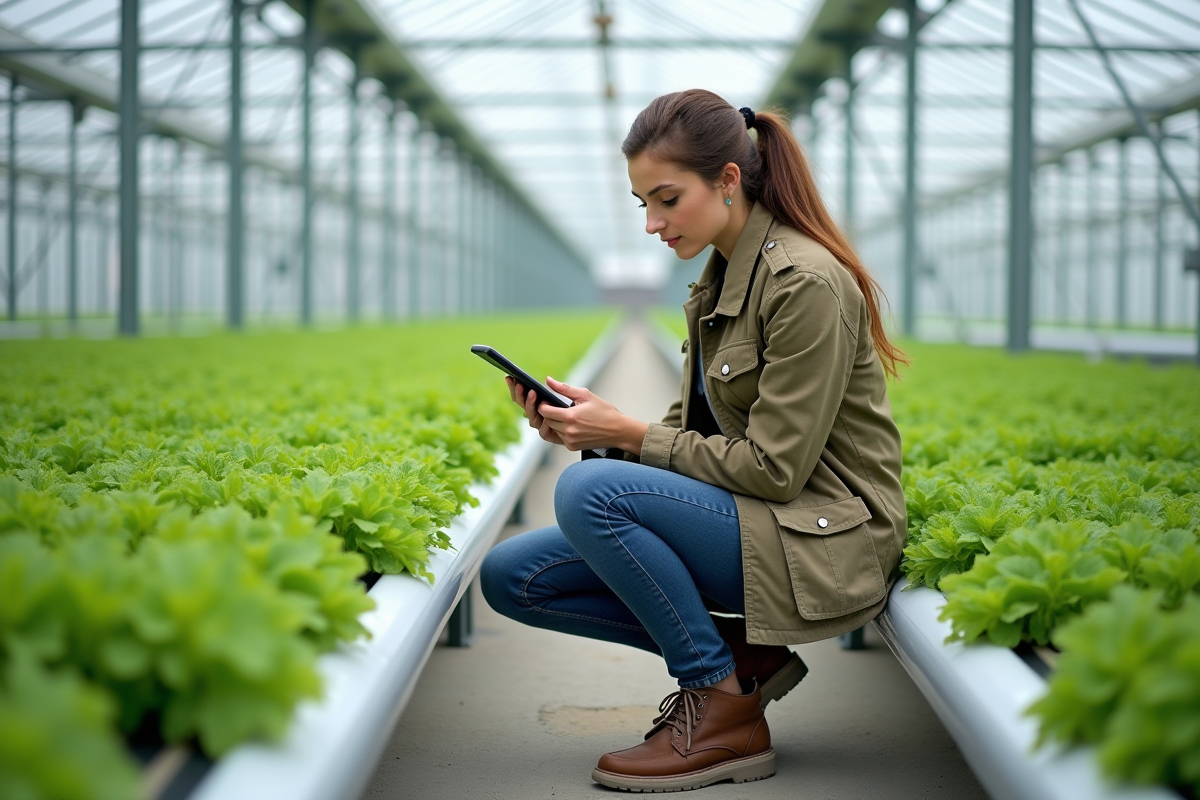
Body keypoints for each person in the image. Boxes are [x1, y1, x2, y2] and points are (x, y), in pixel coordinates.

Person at [479, 89, 907, 794]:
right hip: (770, 524)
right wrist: (598, 429)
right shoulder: (714, 282)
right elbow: (695, 438)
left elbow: (772, 469)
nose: (651, 223)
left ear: (727, 181)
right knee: (513, 577)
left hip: (828, 538)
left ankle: (720, 706)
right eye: (642, 203)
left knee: (591, 495)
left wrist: (628, 438)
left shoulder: (804, 283)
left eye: (666, 199)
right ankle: (744, 662)